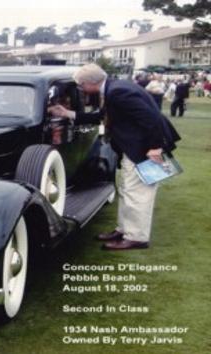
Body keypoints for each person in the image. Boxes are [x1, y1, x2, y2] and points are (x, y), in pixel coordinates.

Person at [48, 64, 180, 251]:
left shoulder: (118, 92)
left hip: (142, 149)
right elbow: (102, 116)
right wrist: (68, 113)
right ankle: (125, 229)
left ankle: (137, 237)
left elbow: (151, 118)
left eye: (81, 85)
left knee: (138, 193)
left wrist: (155, 147)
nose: (81, 89)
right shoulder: (114, 88)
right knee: (128, 189)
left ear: (89, 83)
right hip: (135, 147)